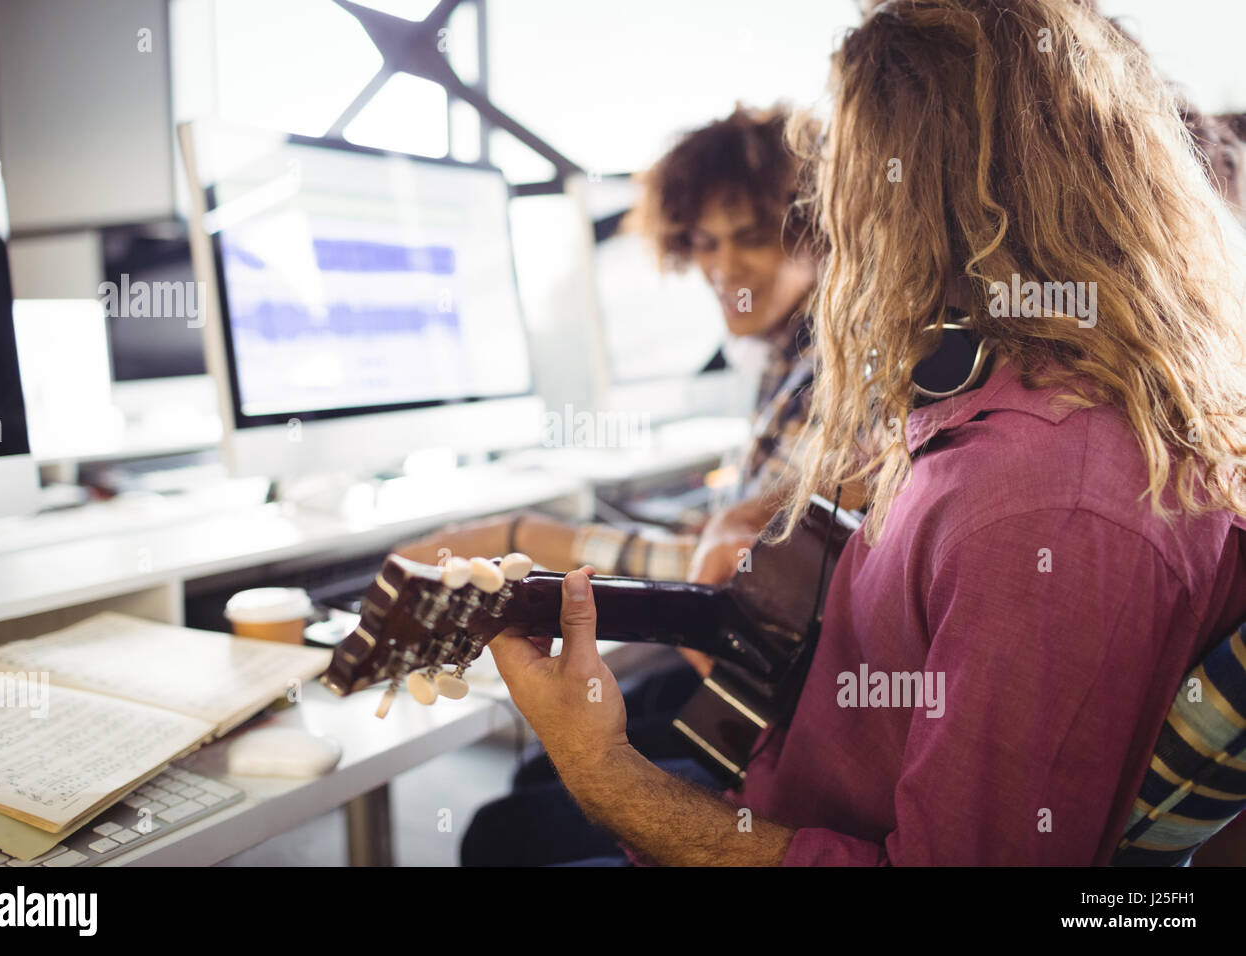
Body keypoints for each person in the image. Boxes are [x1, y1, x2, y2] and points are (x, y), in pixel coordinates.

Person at [485, 0, 1246, 865]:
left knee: (498, 836)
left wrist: (602, 773)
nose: (836, 223)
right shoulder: (1014, 396)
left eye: (847, 178)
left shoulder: (1050, 509)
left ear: (911, 199)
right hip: (771, 787)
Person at [393, 105, 856, 611]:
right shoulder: (783, 359)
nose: (724, 267)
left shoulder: (834, 367)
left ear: (817, 232)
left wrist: (522, 537)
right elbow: (733, 536)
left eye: (753, 238)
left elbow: (748, 570)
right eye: (704, 243)